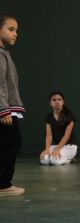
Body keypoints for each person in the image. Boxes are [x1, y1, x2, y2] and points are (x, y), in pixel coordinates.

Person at [0, 12, 26, 197]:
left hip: (6, 107)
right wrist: (3, 109)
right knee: (11, 142)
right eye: (10, 29)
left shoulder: (4, 53)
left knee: (9, 143)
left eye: (16, 30)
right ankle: (2, 184)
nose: (15, 33)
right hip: (4, 109)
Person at [40, 91, 77, 165]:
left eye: (59, 99)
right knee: (44, 159)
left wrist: (57, 150)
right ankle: (61, 157)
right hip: (55, 145)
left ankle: (70, 159)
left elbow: (66, 136)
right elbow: (49, 135)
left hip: (69, 147)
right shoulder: (49, 116)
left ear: (63, 102)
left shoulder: (69, 116)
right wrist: (47, 149)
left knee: (54, 161)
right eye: (54, 100)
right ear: (50, 103)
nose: (57, 102)